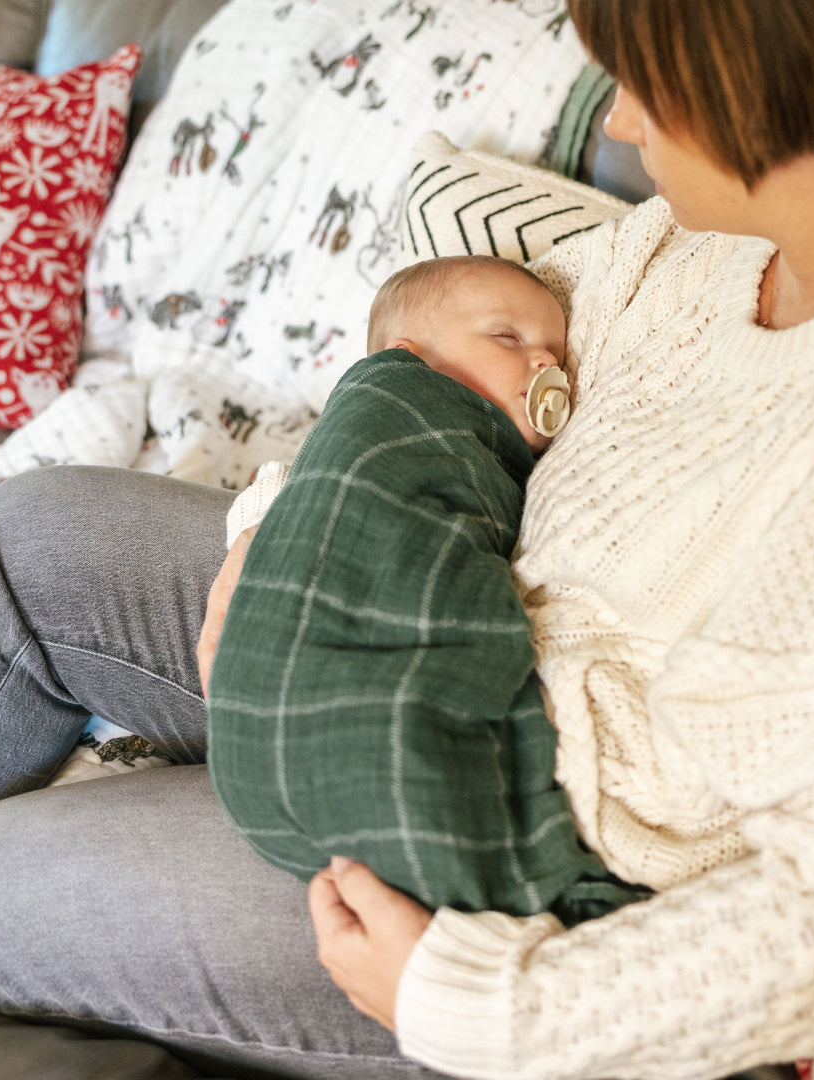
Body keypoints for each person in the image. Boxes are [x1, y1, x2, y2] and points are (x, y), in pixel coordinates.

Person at [0, 1, 814, 1079]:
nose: (627, 128)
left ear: (743, 92)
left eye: (643, 89)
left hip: (531, 869)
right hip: (448, 633)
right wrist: (278, 538)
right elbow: (458, 363)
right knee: (32, 532)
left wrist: (488, 1001)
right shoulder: (700, 248)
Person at [208, 254, 637, 922]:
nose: (543, 369)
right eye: (507, 339)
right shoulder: (402, 408)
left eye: (555, 356)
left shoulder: (502, 461)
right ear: (407, 358)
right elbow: (336, 474)